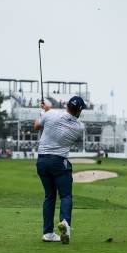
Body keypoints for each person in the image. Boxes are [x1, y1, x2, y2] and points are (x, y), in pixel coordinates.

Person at [34, 95, 86, 244]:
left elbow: (37, 126)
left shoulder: (50, 115)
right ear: (79, 112)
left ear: (66, 106)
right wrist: (47, 111)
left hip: (42, 161)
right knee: (65, 196)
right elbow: (63, 119)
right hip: (58, 162)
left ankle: (48, 233)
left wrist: (42, 114)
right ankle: (65, 223)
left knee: (49, 196)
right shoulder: (79, 127)